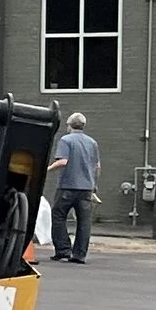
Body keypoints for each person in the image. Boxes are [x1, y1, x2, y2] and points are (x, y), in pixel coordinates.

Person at [46, 108, 102, 265]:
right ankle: (79, 255)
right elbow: (97, 166)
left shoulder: (66, 140)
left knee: (58, 216)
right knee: (84, 221)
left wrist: (47, 169)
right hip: (87, 188)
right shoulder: (92, 142)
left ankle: (63, 250)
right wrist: (94, 185)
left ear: (69, 125)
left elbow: (63, 161)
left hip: (68, 186)